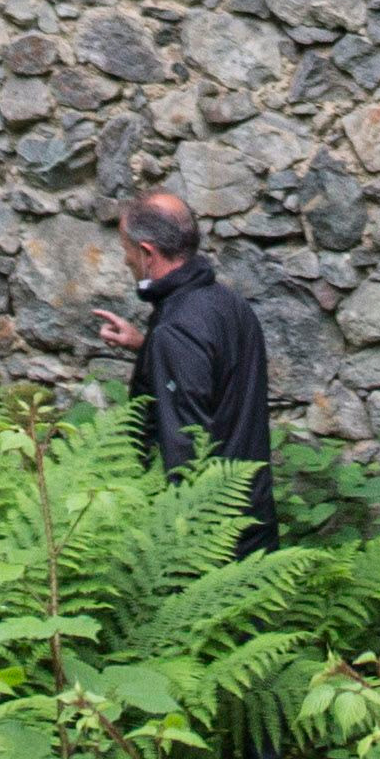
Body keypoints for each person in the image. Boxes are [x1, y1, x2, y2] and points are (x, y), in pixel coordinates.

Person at [90, 189, 277, 546]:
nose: (125, 261)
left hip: (212, 541)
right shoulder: (226, 303)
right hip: (250, 516)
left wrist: (168, 540)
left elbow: (186, 449)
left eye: (126, 252)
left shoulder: (176, 330)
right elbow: (216, 377)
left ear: (147, 253)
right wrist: (147, 348)